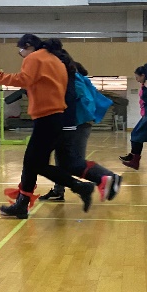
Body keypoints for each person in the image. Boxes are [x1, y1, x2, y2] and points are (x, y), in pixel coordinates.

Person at [0, 34, 96, 219]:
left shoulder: (35, 58)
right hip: (56, 117)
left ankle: (80, 187)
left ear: (28, 46)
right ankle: (22, 204)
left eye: (21, 50)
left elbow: (23, 79)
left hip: (47, 118)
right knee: (34, 164)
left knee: (33, 163)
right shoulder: (54, 59)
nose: (21, 54)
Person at [40, 60, 122, 203]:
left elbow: (76, 96)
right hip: (71, 124)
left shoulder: (75, 80)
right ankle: (58, 191)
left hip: (78, 125)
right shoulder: (77, 79)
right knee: (62, 160)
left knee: (74, 163)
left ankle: (108, 177)